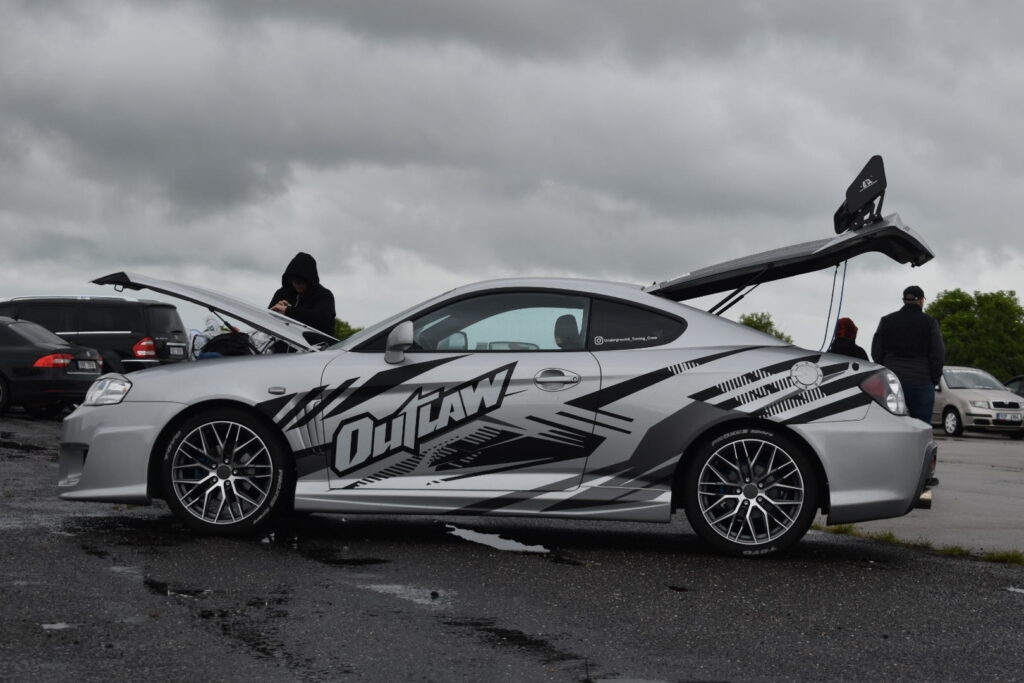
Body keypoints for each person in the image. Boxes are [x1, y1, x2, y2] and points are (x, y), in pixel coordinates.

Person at [871, 285, 945, 424]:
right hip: (921, 381)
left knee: (891, 423)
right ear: (921, 301)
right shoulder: (930, 323)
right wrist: (933, 380)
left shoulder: (886, 321)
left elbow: (877, 352)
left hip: (892, 380)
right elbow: (937, 354)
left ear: (904, 300)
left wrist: (884, 374)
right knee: (921, 426)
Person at [269, 252, 336, 336]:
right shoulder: (282, 293)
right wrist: (274, 312)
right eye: (292, 280)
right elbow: (267, 318)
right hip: (281, 342)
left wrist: (287, 311)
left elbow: (322, 318)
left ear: (309, 280)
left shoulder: (324, 295)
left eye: (299, 282)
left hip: (313, 344)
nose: (295, 284)